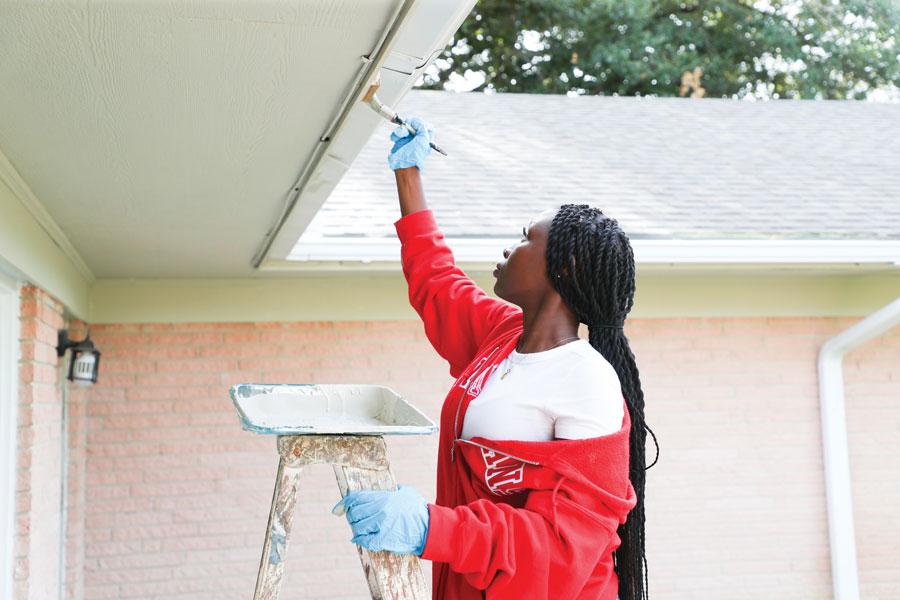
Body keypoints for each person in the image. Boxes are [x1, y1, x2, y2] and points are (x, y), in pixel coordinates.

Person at [332, 118, 658, 600]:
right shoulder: (505, 335)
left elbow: (561, 545)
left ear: (561, 268)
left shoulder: (587, 381)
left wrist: (429, 527)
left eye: (526, 237)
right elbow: (439, 284)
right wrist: (409, 175)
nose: (509, 247)